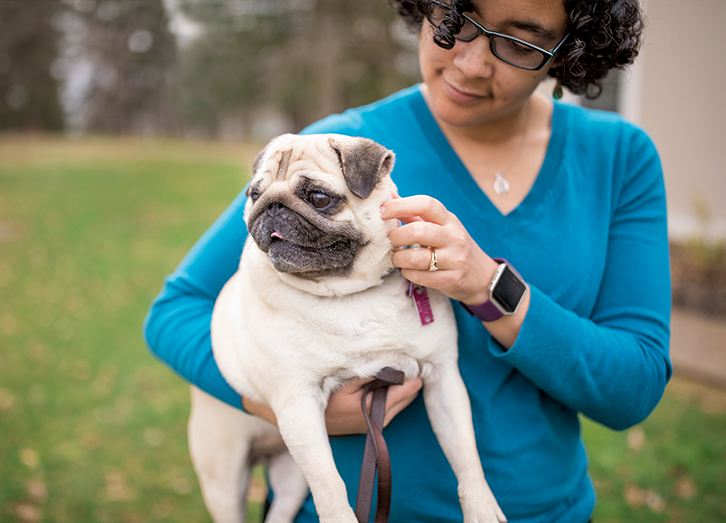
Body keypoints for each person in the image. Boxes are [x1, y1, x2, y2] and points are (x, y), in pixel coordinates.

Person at [144, 0, 671, 521]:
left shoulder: (619, 159)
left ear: (570, 50)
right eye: (452, 20)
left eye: (518, 42)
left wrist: (487, 286)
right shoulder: (327, 148)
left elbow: (633, 388)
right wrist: (288, 408)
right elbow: (175, 311)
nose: (468, 61)